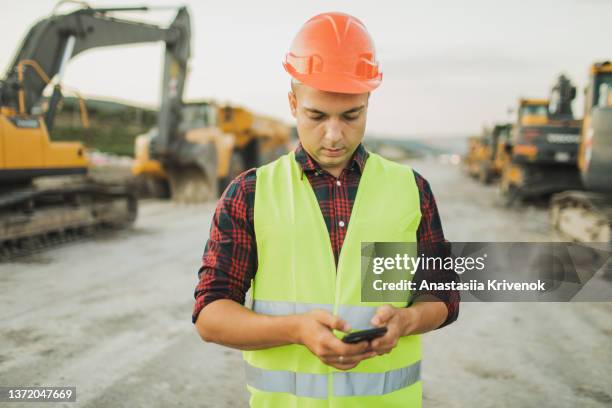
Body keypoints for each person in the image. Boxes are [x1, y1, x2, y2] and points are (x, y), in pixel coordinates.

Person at [192, 11, 459, 407]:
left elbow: (442, 296)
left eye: (351, 116)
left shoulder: (410, 189)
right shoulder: (249, 193)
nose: (334, 135)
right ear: (293, 103)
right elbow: (211, 314)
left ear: (368, 101)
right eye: (316, 116)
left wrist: (407, 321)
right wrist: (296, 329)